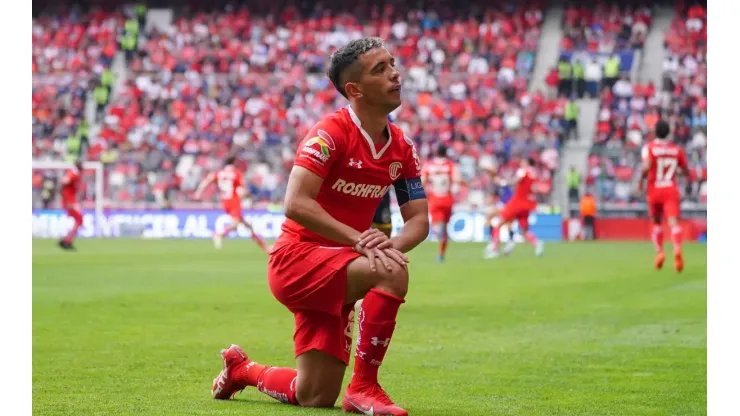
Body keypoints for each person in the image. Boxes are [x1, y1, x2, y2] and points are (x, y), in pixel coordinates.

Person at [210, 37, 429, 416]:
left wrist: (389, 245)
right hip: (297, 261)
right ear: (354, 90)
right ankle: (364, 388)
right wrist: (363, 242)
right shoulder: (329, 134)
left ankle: (242, 370)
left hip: (341, 265)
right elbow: (295, 203)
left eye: (392, 64)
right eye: (381, 69)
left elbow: (420, 221)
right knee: (391, 272)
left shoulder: (401, 147)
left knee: (315, 395)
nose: (395, 74)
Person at [638, 120, 690, 272]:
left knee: (656, 222)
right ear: (669, 133)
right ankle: (677, 249)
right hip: (670, 189)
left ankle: (660, 251)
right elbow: (685, 171)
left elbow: (647, 167)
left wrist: (641, 181)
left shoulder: (649, 148)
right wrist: (678, 172)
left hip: (654, 189)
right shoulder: (677, 150)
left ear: (655, 132)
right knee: (674, 222)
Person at [194, 156, 269, 253]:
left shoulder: (219, 173)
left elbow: (207, 180)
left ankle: (265, 247)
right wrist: (247, 195)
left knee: (247, 226)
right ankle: (219, 234)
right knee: (236, 224)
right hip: (234, 201)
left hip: (224, 202)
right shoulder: (236, 174)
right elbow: (243, 190)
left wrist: (198, 192)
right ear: (234, 163)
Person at [485, 157, 544, 258]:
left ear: (527, 162)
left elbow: (516, 181)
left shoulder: (523, 171)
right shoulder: (534, 174)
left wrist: (504, 183)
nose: (521, 162)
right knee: (524, 231)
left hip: (517, 203)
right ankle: (538, 244)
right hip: (527, 204)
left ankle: (495, 249)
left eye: (523, 161)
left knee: (498, 224)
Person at [421, 143, 461, 262]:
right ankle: (441, 253)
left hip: (434, 198)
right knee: (444, 226)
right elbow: (457, 179)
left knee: (436, 224)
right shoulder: (450, 165)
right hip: (447, 198)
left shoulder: (429, 165)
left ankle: (437, 231)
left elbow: (422, 181)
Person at [58, 160, 84, 251]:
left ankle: (66, 239)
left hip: (70, 200)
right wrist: (69, 201)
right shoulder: (73, 173)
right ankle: (66, 240)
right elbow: (64, 181)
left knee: (78, 219)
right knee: (79, 219)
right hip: (69, 201)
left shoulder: (74, 172)